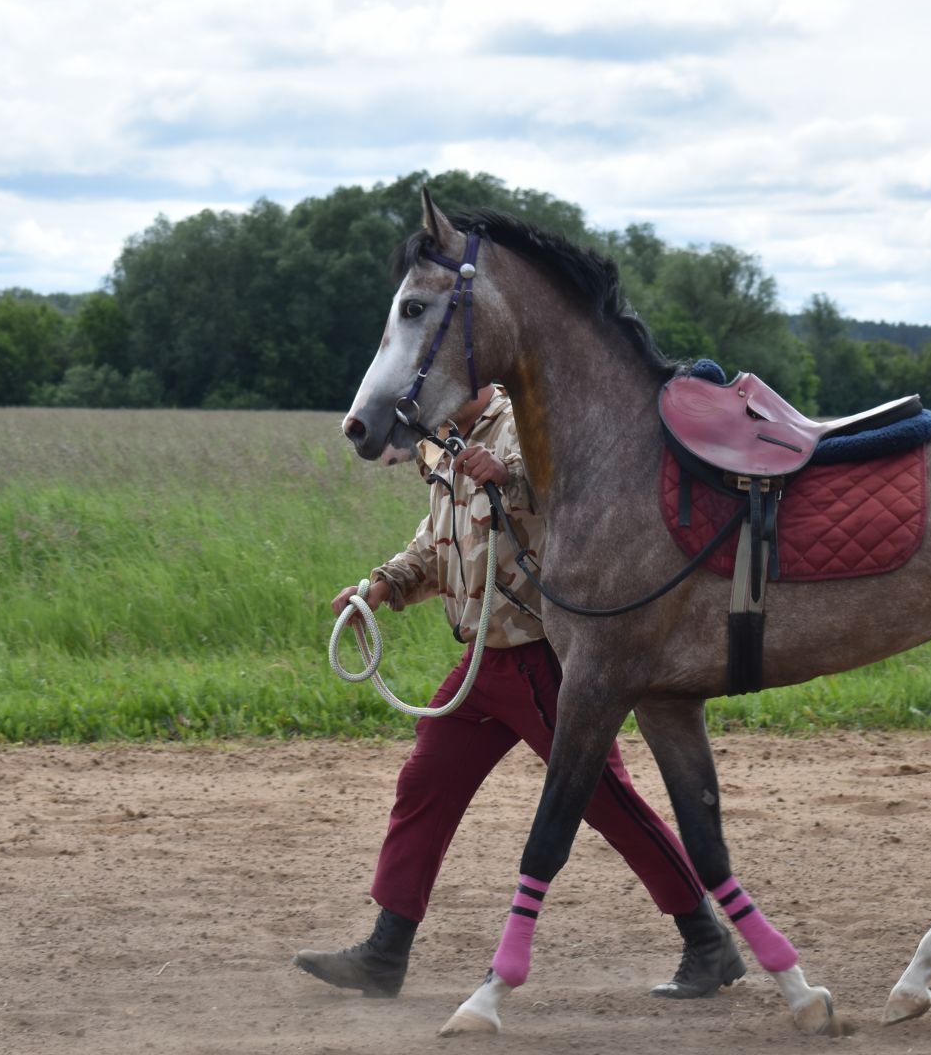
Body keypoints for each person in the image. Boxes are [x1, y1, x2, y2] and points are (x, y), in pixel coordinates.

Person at [297, 383, 743, 1000]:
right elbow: (436, 540)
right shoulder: (444, 441)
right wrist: (381, 586)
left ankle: (707, 940)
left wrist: (509, 476)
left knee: (606, 800)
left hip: (545, 657)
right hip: (483, 661)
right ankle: (387, 949)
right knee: (425, 783)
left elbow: (580, 499)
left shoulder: (532, 425)